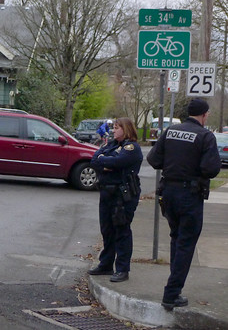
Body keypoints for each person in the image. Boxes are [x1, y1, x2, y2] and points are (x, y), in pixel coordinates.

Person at [146, 98, 221, 311]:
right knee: (186, 243)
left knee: (177, 238)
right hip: (190, 194)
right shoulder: (205, 136)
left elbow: (153, 159)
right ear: (205, 115)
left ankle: (174, 288)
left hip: (168, 192)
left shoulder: (170, 131)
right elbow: (211, 168)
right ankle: (171, 293)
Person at [88, 117, 143, 282]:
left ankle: (122, 269)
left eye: (117, 127)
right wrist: (106, 163)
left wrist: (105, 162)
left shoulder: (132, 148)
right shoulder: (110, 145)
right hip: (106, 193)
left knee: (122, 231)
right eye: (114, 127)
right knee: (107, 230)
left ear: (125, 129)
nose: (114, 130)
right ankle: (106, 264)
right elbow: (94, 160)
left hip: (123, 195)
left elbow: (119, 162)